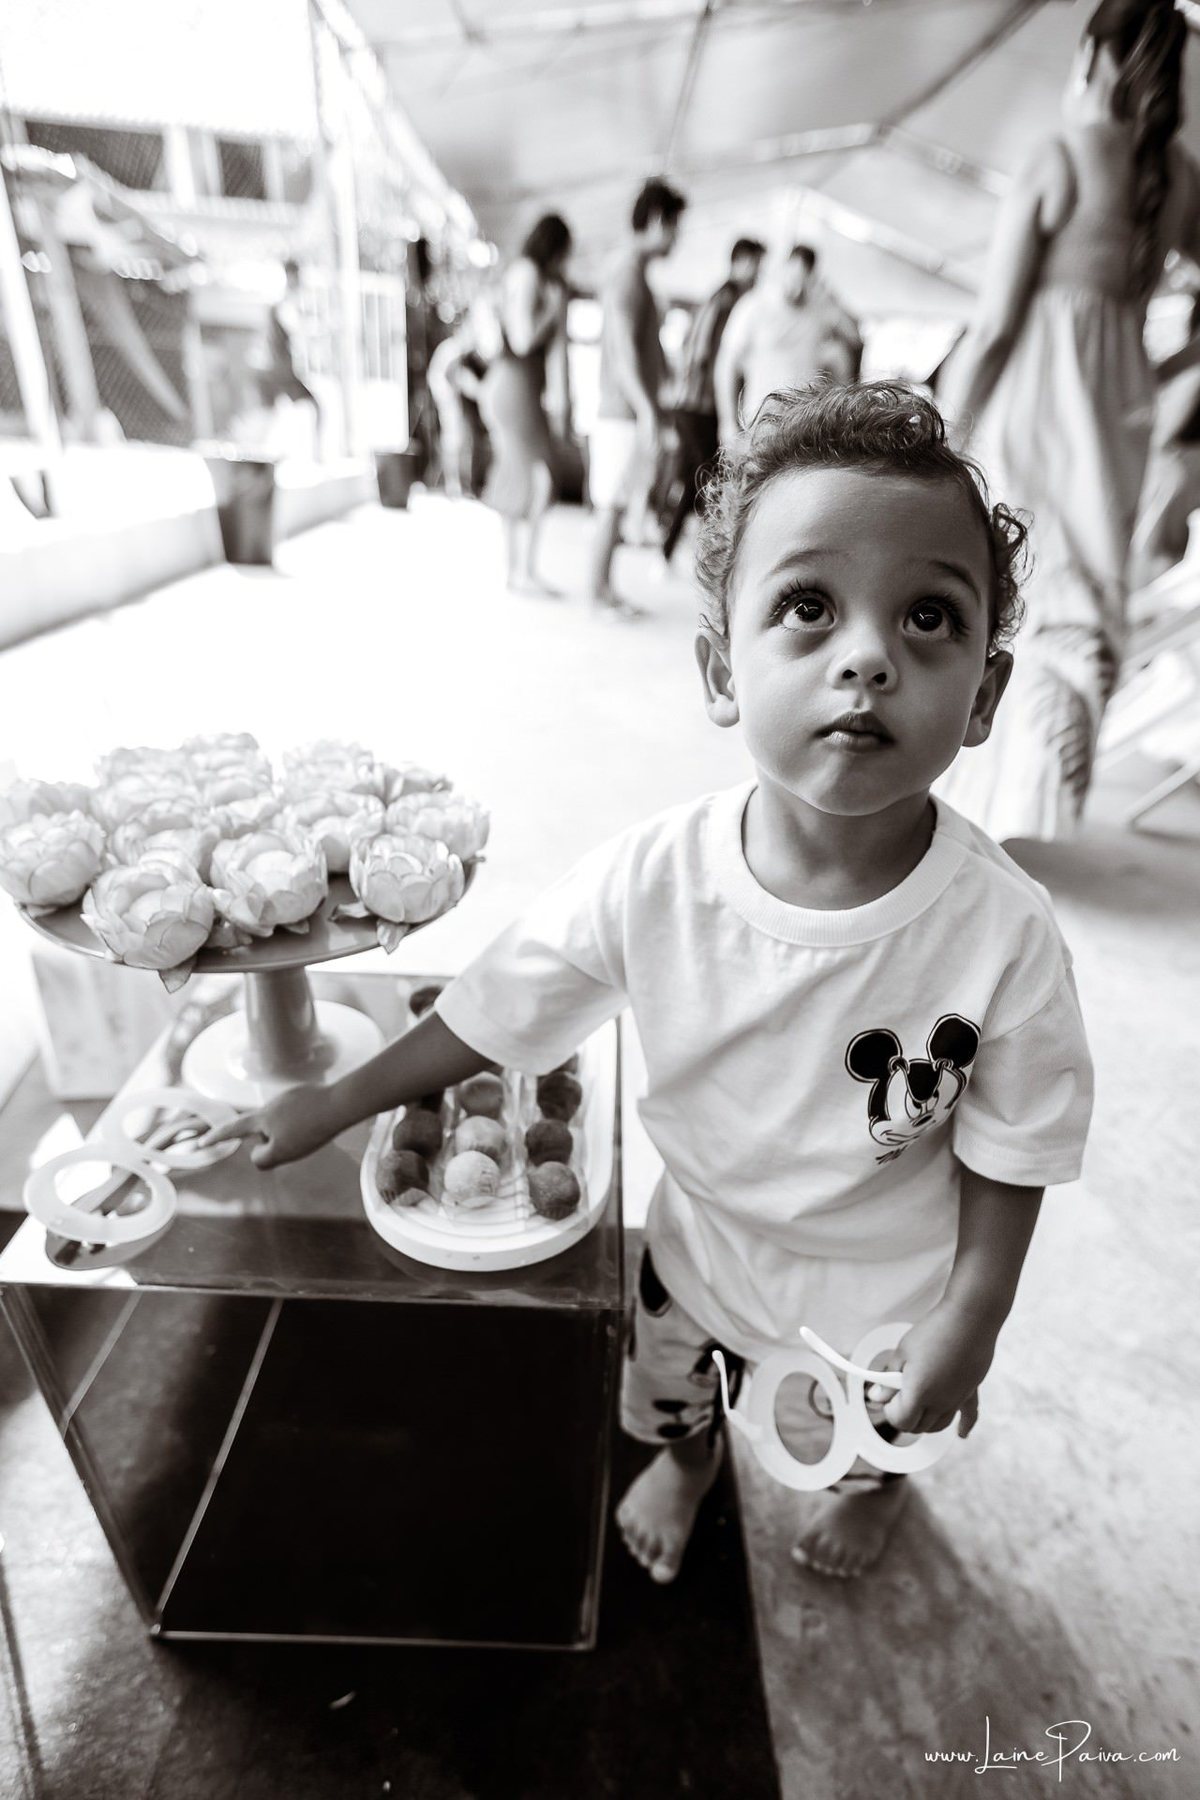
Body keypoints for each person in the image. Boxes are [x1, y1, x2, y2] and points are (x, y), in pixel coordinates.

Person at [203, 382, 1092, 1587]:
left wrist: (973, 1318)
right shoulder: (650, 881)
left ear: (982, 695)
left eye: (929, 617)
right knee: (669, 1389)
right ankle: (687, 1464)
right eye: (810, 607)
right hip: (700, 1245)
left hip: (890, 1278)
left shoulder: (1005, 934)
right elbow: (498, 1007)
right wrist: (341, 1098)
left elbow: (1015, 1148)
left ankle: (873, 1490)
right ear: (724, 670)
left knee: (877, 1418)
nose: (869, 657)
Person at [935, 0, 1196, 842]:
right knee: (1079, 594)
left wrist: (939, 435)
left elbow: (997, 324)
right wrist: (1160, 372)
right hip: (1119, 419)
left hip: (1036, 408)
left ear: (1093, 54)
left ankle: (980, 801)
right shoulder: (1180, 178)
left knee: (1007, 584)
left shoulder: (1060, 157)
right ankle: (1039, 801)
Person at [586, 177, 687, 617]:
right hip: (622, 412)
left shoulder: (634, 274)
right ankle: (596, 595)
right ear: (658, 221)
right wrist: (647, 409)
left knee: (618, 501)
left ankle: (605, 590)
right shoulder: (627, 273)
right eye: (675, 227)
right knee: (610, 504)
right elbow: (623, 350)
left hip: (626, 410)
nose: (677, 239)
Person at [481, 214, 573, 595]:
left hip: (512, 387)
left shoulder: (524, 273)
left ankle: (515, 570)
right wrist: (553, 309)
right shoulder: (530, 274)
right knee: (540, 478)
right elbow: (521, 340)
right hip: (514, 386)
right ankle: (524, 571)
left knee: (518, 476)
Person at [660, 236, 766, 564]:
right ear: (740, 262)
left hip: (691, 404)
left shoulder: (719, 295)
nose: (758, 271)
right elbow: (711, 354)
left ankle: (669, 553)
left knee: (698, 479)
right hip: (699, 406)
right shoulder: (730, 300)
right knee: (713, 480)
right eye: (755, 263)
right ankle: (713, 558)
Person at [715, 245, 861, 444]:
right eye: (792, 274)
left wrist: (831, 297)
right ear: (783, 269)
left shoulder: (819, 308)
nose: (796, 286)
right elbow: (726, 364)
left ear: (811, 277)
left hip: (805, 424)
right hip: (759, 421)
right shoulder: (754, 306)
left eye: (803, 277)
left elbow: (854, 337)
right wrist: (727, 421)